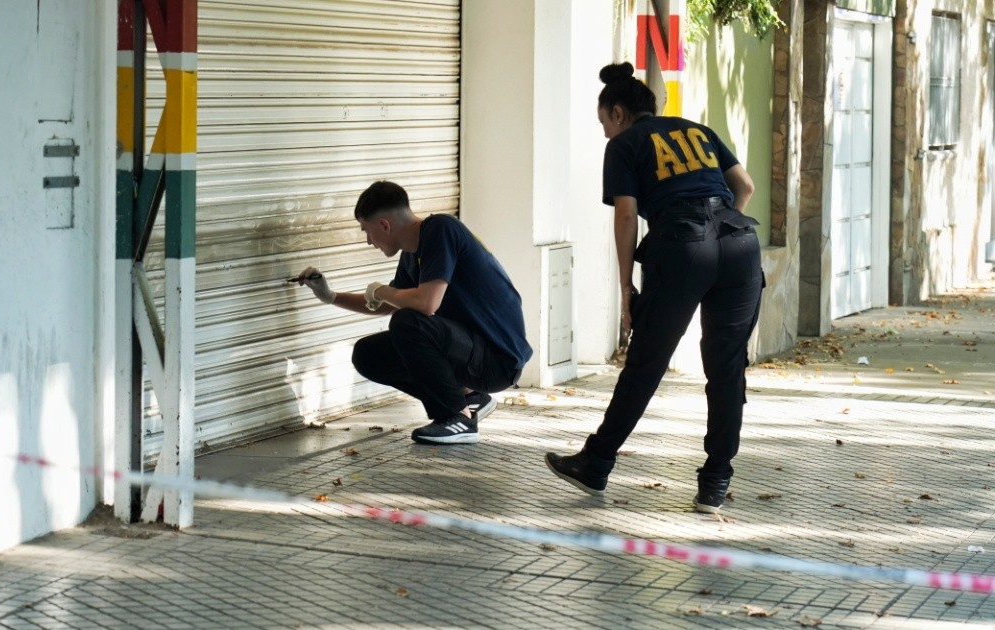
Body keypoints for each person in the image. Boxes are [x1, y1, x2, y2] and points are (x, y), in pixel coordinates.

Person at [544, 62, 763, 514]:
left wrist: (625, 286)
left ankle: (597, 462)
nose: (605, 131)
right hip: (741, 242)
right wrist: (722, 224)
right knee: (727, 367)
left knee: (646, 363)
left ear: (619, 113)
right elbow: (744, 185)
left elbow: (626, 216)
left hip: (682, 245)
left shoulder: (625, 145)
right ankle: (715, 481)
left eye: (603, 121)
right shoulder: (696, 129)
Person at [297, 180, 533, 445]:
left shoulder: (440, 230)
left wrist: (382, 290)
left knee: (408, 322)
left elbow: (425, 303)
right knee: (368, 354)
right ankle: (467, 398)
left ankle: (456, 417)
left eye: (366, 230)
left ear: (384, 225)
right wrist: (329, 296)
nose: (367, 241)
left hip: (497, 360)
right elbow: (387, 304)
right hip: (471, 353)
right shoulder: (413, 253)